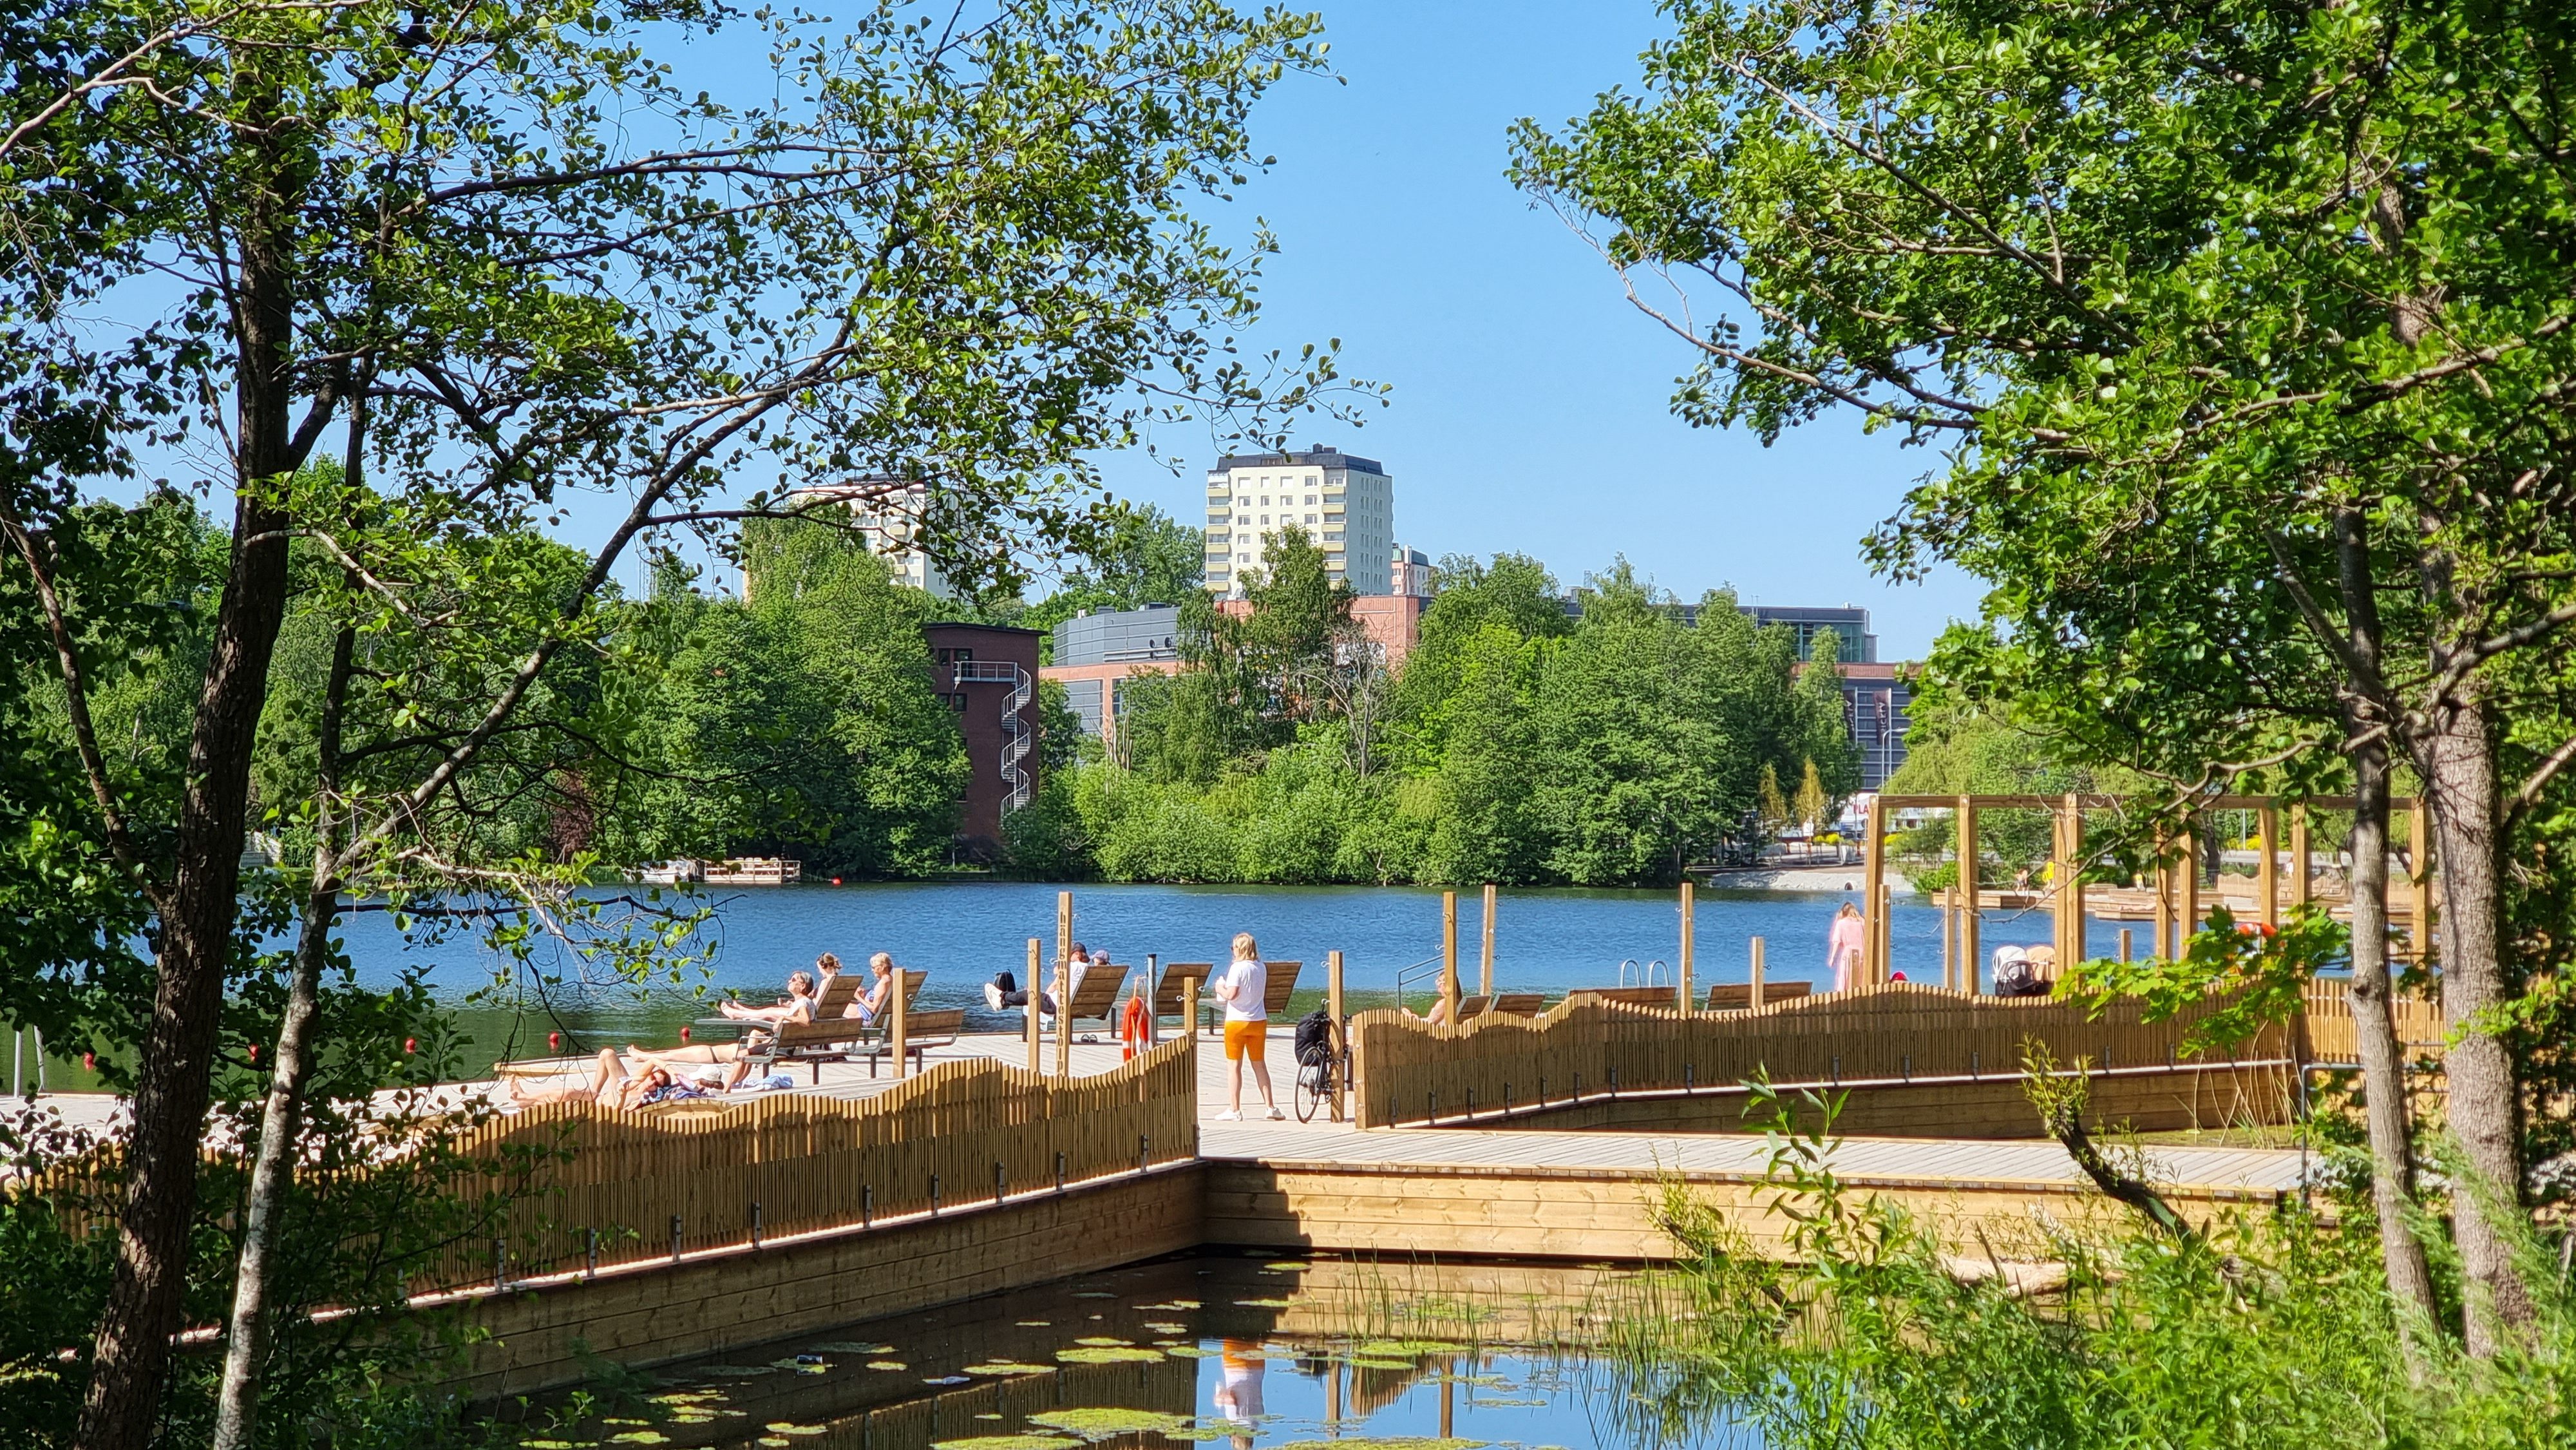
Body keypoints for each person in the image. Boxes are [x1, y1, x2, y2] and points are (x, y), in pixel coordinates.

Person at [1211, 932, 1283, 1121]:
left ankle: (1235, 1109)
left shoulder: (1238, 968)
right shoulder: (1261, 967)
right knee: (1259, 1064)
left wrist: (1220, 988)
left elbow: (1232, 994)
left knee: (1234, 1065)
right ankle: (1270, 1106)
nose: (1232, 951)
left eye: (1234, 948)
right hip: (1258, 1020)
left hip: (1237, 1021)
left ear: (1240, 949)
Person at [1211, 1339, 1265, 1449]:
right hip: (1235, 1364)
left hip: (1257, 1367)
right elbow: (1231, 1398)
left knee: (1256, 1334)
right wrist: (1219, 1399)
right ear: (1234, 1438)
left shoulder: (1258, 1420)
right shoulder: (1234, 1420)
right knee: (1230, 1333)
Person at [720, 969, 818, 1024]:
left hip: (792, 1036)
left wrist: (784, 1018)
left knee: (768, 1012)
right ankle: (742, 1010)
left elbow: (806, 1021)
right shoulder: (804, 1001)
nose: (789, 982)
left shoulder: (803, 1002)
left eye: (793, 980)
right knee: (769, 1011)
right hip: (795, 1033)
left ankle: (736, 1013)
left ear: (803, 986)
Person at [1826, 901, 1866, 992]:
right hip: (1862, 953)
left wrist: (1832, 958)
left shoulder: (1841, 923)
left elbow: (1837, 942)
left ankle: (1843, 998)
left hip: (1848, 953)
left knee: (1845, 978)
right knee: (1860, 978)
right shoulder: (1862, 922)